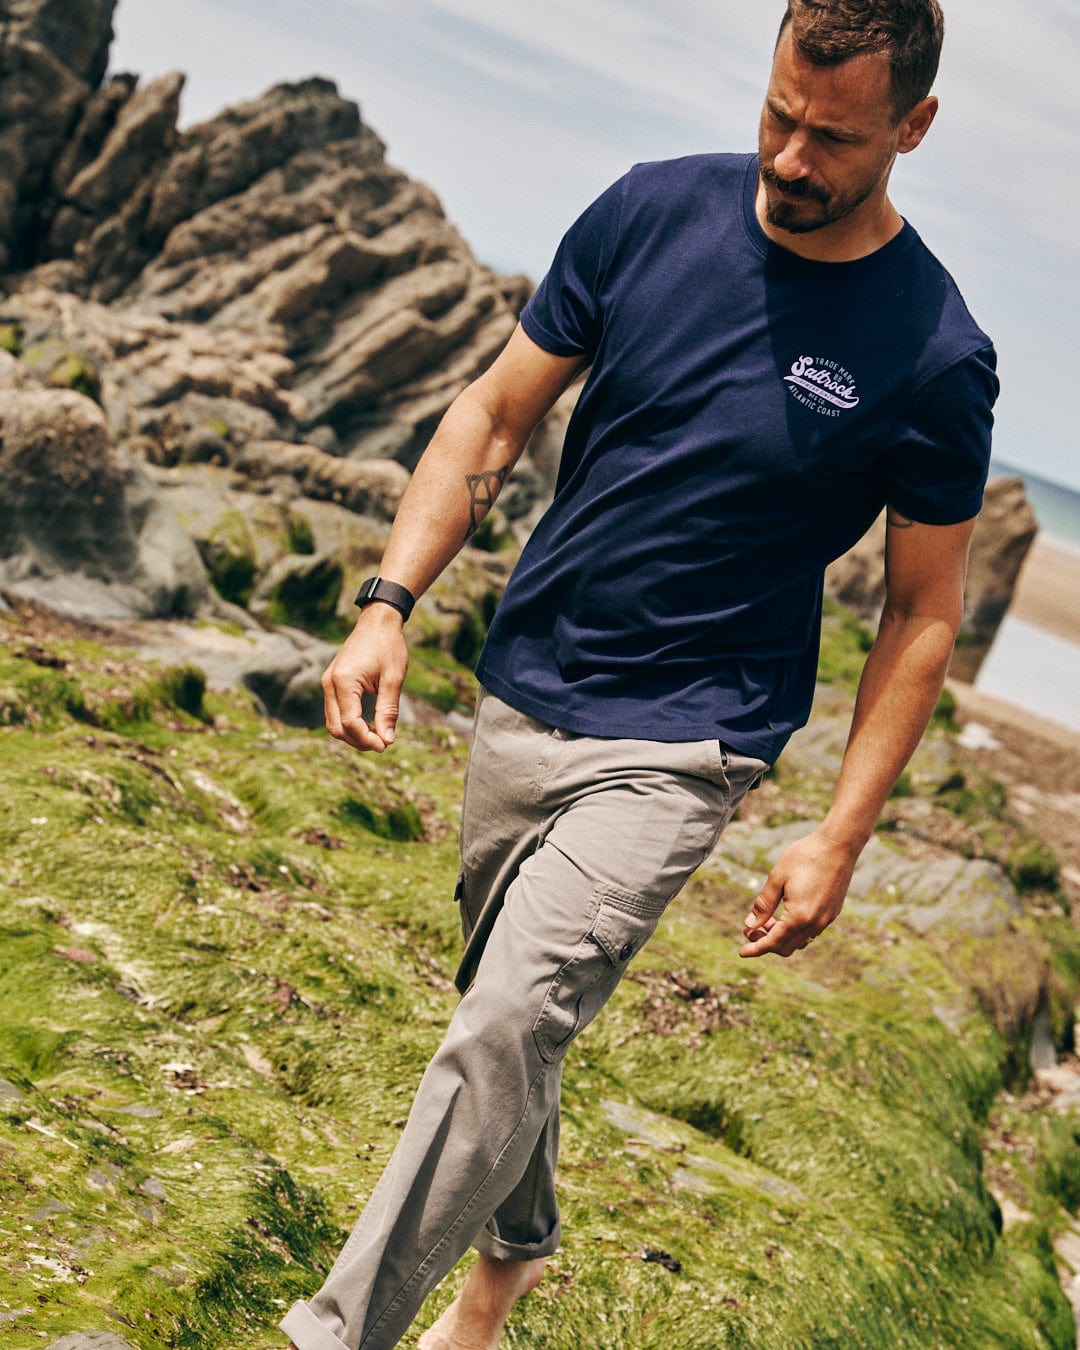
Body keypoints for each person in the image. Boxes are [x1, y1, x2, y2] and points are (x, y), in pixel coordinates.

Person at [282, 0, 997, 1345]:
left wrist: (838, 837)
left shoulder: (935, 352)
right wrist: (387, 604)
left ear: (913, 126)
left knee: (504, 1017)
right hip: (529, 677)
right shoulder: (648, 213)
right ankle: (516, 1255)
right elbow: (494, 413)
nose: (789, 158)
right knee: (509, 1016)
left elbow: (920, 614)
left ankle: (337, 1331)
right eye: (779, 115)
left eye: (832, 139)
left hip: (689, 740)